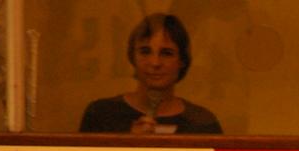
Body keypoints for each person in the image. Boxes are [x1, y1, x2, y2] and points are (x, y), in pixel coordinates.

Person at [79, 13, 222, 135]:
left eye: (166, 53)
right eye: (145, 52)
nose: (155, 63)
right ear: (132, 57)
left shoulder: (202, 123)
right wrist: (128, 143)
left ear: (182, 61)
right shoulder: (102, 114)